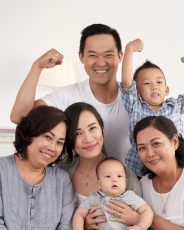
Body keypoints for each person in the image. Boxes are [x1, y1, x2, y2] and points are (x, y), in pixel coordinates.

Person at [58, 102, 155, 230]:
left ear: (102, 129)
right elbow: (55, 225)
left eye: (93, 128)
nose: (88, 138)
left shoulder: (124, 174)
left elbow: (145, 221)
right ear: (69, 140)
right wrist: (81, 226)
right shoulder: (62, 175)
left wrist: (135, 218)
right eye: (78, 133)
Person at [10, 23, 130, 162]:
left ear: (120, 56)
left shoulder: (135, 97)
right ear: (81, 57)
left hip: (126, 180)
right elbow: (19, 117)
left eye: (108, 55)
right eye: (92, 55)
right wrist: (37, 67)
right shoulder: (67, 96)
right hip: (74, 180)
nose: (101, 63)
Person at [119, 39, 184, 176]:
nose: (154, 86)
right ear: (136, 91)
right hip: (138, 170)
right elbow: (126, 81)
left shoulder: (176, 105)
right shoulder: (135, 105)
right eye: (147, 83)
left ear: (166, 89)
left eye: (159, 82)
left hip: (170, 167)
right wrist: (129, 49)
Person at [73, 157, 161, 230]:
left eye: (119, 176)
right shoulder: (94, 198)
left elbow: (147, 211)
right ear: (99, 184)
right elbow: (79, 214)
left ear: (125, 183)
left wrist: (140, 227)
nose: (114, 179)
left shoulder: (129, 196)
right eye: (108, 176)